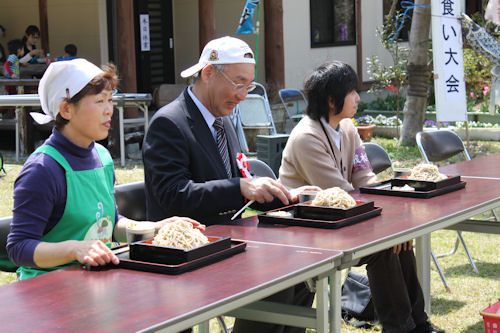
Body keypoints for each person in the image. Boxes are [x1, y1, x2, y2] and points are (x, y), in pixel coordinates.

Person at [143, 36, 317, 333]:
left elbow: (243, 188)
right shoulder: (170, 123)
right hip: (190, 250)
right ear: (208, 73)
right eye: (238, 83)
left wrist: (289, 196)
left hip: (228, 241)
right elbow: (173, 195)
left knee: (302, 274)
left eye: (248, 86)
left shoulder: (221, 121)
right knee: (279, 281)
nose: (243, 95)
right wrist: (239, 186)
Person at [279, 61, 444, 333]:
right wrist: (390, 225)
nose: (358, 97)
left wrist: (394, 224)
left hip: (341, 223)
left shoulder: (347, 128)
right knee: (386, 244)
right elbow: (341, 194)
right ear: (332, 101)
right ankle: (402, 328)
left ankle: (418, 323)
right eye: (352, 92)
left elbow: (364, 178)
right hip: (306, 233)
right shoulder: (306, 137)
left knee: (398, 242)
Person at [7, 59, 204, 280]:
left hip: (95, 284)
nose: (109, 110)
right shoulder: (42, 169)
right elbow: (19, 248)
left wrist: (155, 228)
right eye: (100, 101)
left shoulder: (102, 157)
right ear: (66, 109)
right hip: (49, 294)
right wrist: (75, 249)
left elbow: (109, 224)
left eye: (110, 100)